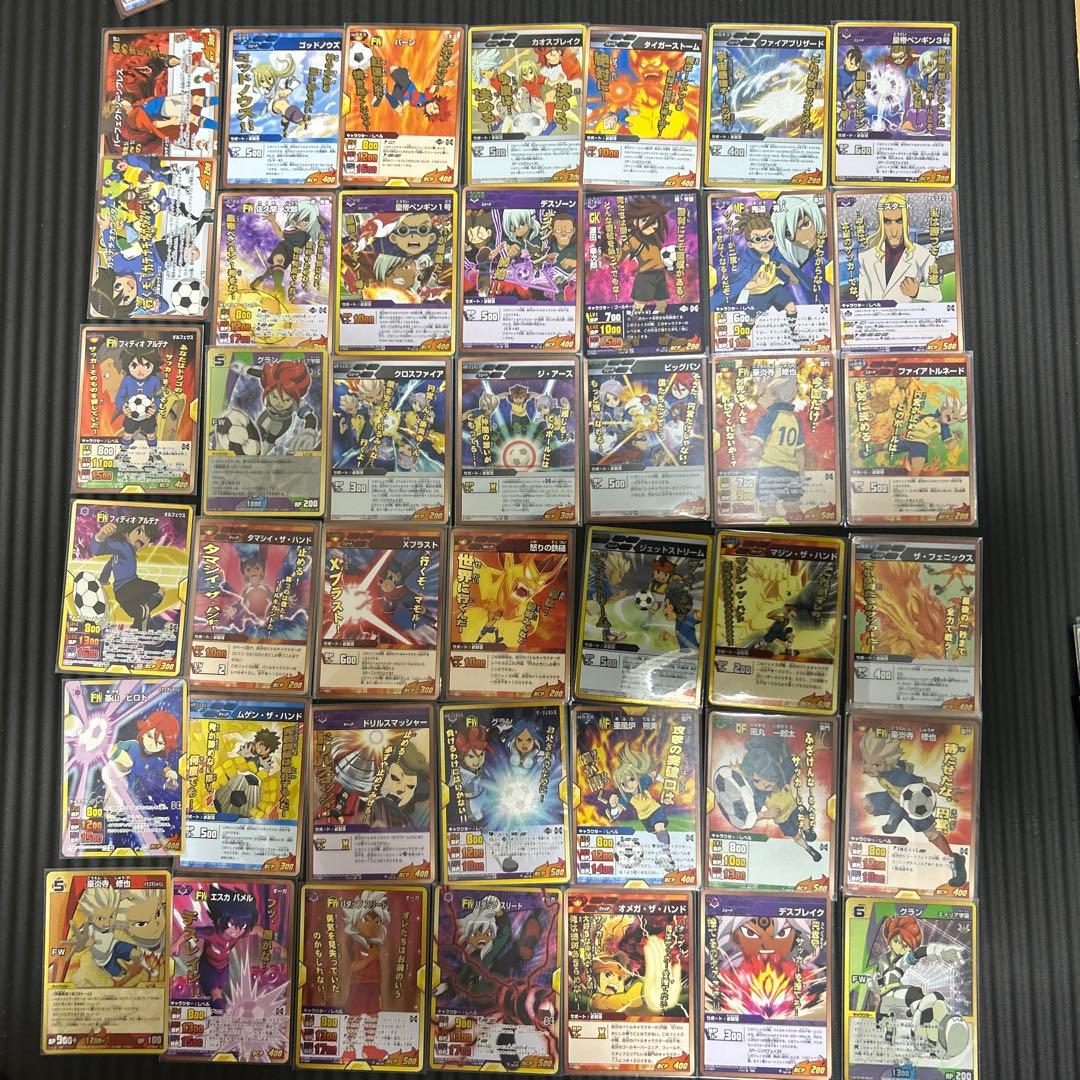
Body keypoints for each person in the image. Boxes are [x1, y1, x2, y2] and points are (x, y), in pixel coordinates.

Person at [856, 194, 942, 303]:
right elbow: (862, 299)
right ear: (881, 224)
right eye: (887, 222)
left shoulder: (922, 255)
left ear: (906, 222)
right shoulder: (866, 257)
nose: (894, 231)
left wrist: (917, 292)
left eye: (899, 221)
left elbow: (937, 294)